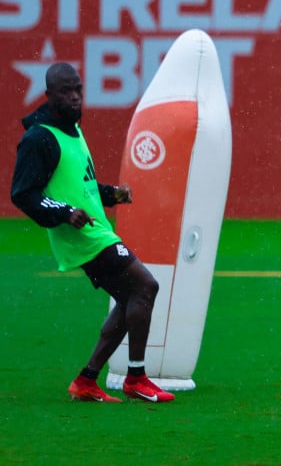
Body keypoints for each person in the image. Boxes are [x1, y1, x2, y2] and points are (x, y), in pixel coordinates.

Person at [10, 62, 174, 403]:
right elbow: (23, 194)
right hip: (81, 237)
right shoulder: (39, 138)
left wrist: (112, 194)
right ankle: (136, 378)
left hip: (94, 230)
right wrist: (65, 213)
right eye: (65, 91)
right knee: (146, 286)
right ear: (49, 95)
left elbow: (80, 187)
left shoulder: (73, 129)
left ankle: (86, 380)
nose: (74, 97)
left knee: (131, 296)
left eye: (78, 90)